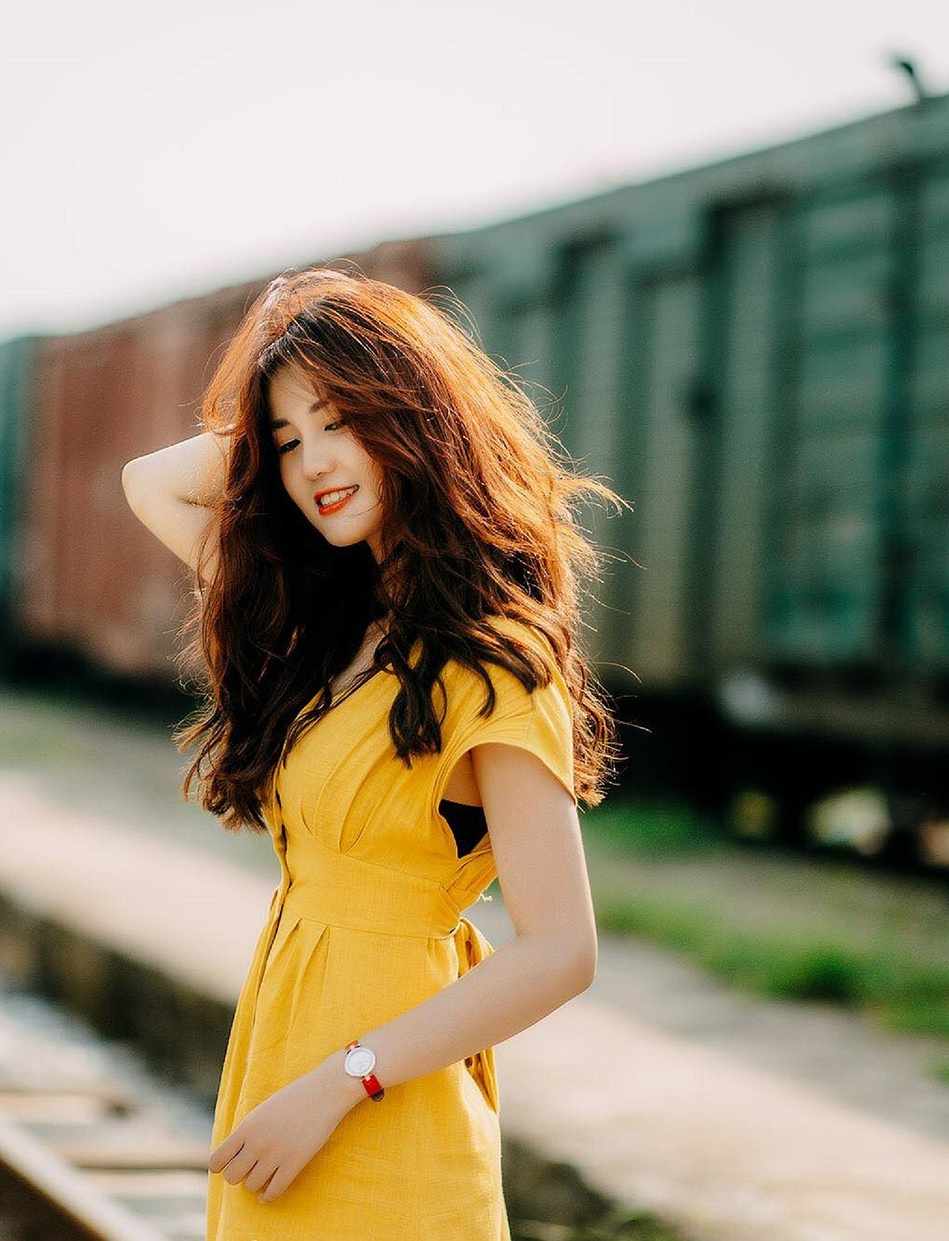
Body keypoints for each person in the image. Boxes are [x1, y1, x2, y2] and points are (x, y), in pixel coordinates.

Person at [120, 266, 624, 1239]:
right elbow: (150, 483)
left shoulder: (492, 665)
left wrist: (344, 1079)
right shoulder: (328, 628)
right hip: (281, 1073)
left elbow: (564, 949)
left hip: (375, 1106)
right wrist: (281, 403)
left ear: (417, 421)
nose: (314, 464)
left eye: (341, 420)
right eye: (288, 442)